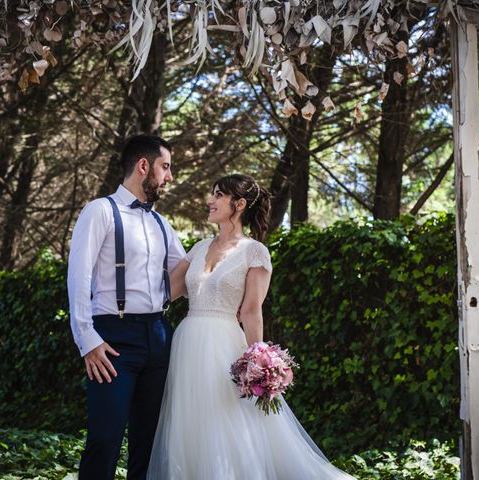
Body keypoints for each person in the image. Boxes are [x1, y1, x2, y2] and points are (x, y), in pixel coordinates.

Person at [147, 174, 356, 479]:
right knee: (190, 421)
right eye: (212, 194)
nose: (211, 201)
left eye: (218, 195)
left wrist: (257, 359)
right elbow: (166, 290)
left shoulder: (254, 251)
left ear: (239, 204)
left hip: (223, 344)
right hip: (187, 342)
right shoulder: (199, 247)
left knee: (223, 419)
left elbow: (251, 310)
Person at [67, 134, 186, 480]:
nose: (169, 176)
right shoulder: (99, 211)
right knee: (105, 438)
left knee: (148, 444)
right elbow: (78, 276)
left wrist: (227, 251)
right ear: (143, 166)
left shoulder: (162, 224)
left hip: (158, 336)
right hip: (113, 338)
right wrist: (86, 339)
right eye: (166, 167)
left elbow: (188, 275)